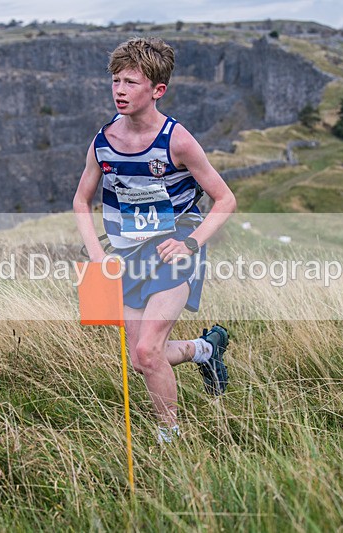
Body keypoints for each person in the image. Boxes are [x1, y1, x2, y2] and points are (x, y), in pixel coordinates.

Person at [73, 37, 236, 444]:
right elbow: (81, 200)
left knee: (147, 351)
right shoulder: (102, 141)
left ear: (157, 90)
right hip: (127, 254)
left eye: (131, 82)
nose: (120, 91)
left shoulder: (176, 140)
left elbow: (225, 198)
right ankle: (205, 350)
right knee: (142, 360)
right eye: (115, 81)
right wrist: (97, 256)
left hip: (174, 248)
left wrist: (191, 244)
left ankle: (171, 438)